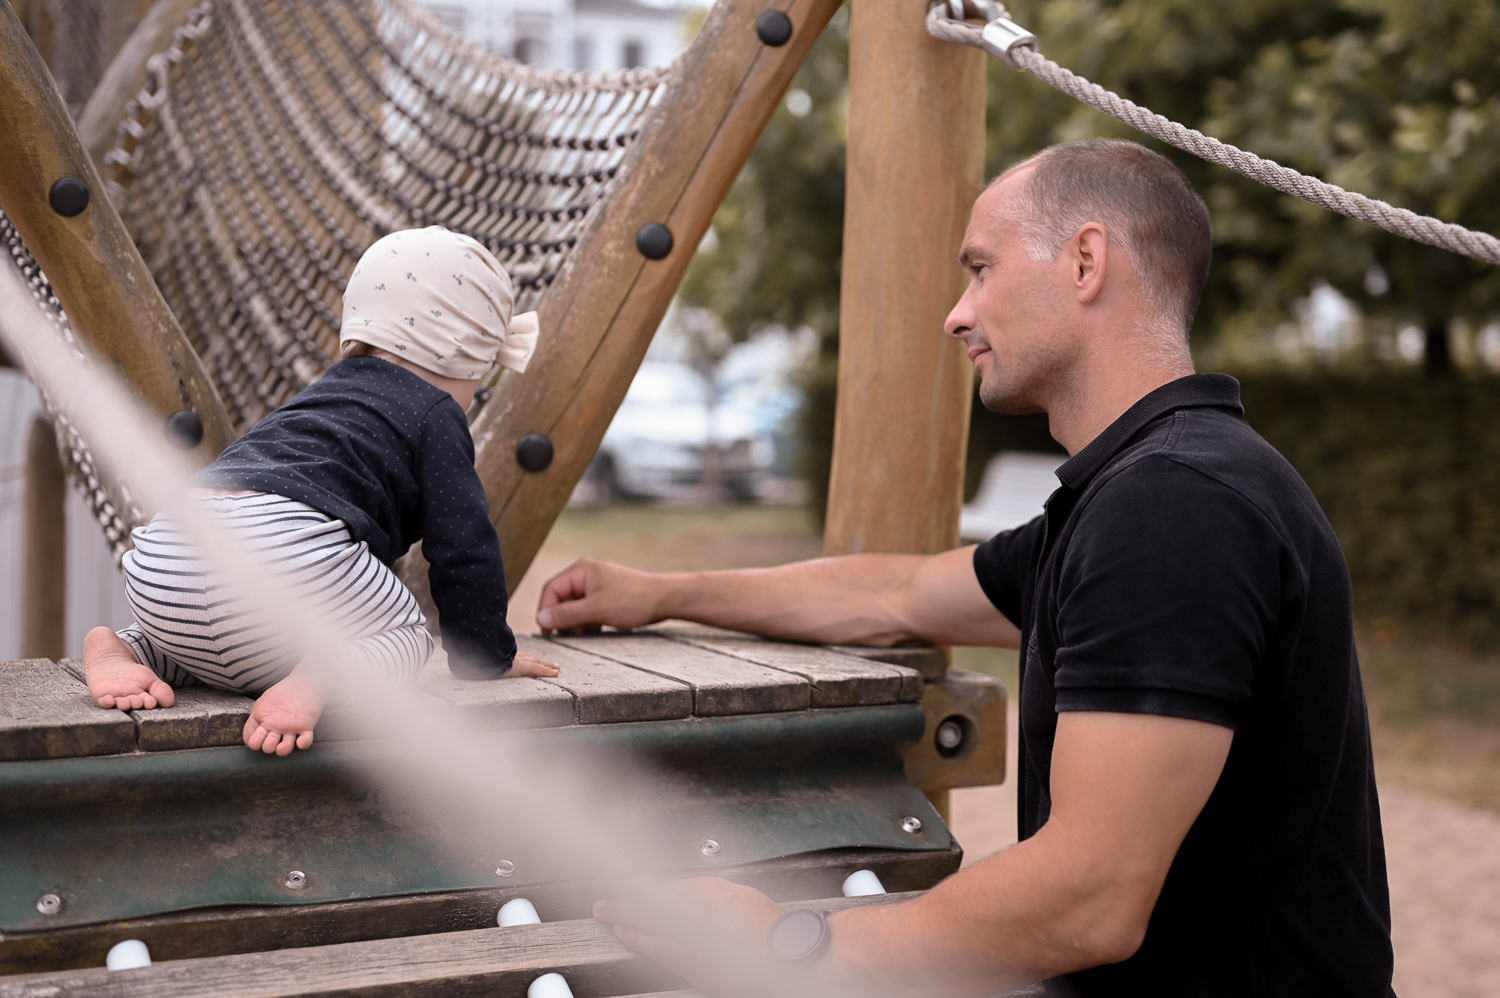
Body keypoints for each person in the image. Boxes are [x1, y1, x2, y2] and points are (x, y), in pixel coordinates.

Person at [537, 141, 1394, 996]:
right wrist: (659, 594)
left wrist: (790, 942)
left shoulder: (1173, 507)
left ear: (1085, 261)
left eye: (981, 269)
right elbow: (895, 594)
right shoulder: (1137, 492)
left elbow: (1088, 898)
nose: (957, 314)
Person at [84, 226, 559, 757]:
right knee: (407, 635)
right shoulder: (436, 412)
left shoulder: (317, 396)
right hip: (284, 549)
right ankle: (327, 674)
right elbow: (462, 544)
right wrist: (485, 655)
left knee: (196, 642)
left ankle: (127, 647)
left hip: (166, 551)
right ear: (465, 354)